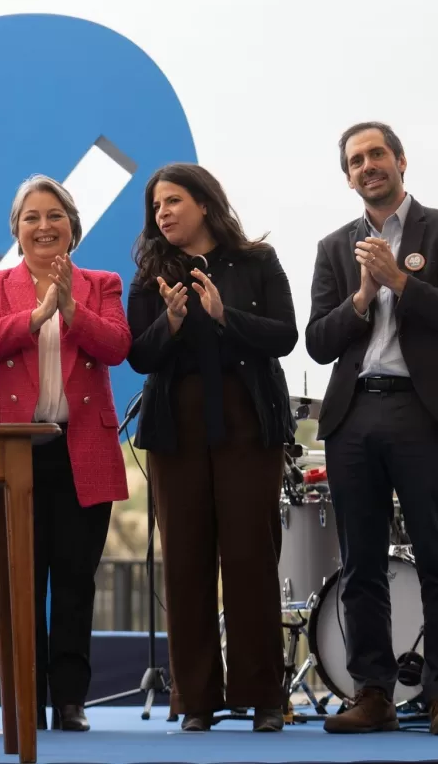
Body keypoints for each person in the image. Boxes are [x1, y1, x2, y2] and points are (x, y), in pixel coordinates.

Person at [306, 121, 438, 736]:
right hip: (354, 415)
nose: (367, 166)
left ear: (401, 161)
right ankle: (373, 692)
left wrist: (401, 282)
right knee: (361, 564)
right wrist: (360, 298)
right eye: (355, 160)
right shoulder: (334, 246)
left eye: (376, 153)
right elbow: (318, 342)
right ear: (348, 175)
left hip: (425, 413)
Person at [126, 163, 296, 733]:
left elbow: (285, 335)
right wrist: (170, 323)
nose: (163, 214)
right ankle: (196, 699)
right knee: (186, 560)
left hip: (247, 421)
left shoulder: (256, 262)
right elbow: (139, 357)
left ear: (203, 202)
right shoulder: (152, 271)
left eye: (173, 201)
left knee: (250, 557)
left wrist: (228, 317)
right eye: (156, 207)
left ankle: (264, 696)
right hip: (177, 427)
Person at [0, 175, 130, 732]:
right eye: (31, 217)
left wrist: (72, 309)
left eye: (54, 215)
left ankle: (70, 700)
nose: (43, 226)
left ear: (73, 227)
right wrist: (37, 315)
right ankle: (23, 700)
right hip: (14, 451)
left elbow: (117, 347)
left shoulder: (102, 283)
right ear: (16, 230)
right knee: (21, 580)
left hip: (82, 446)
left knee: (76, 580)